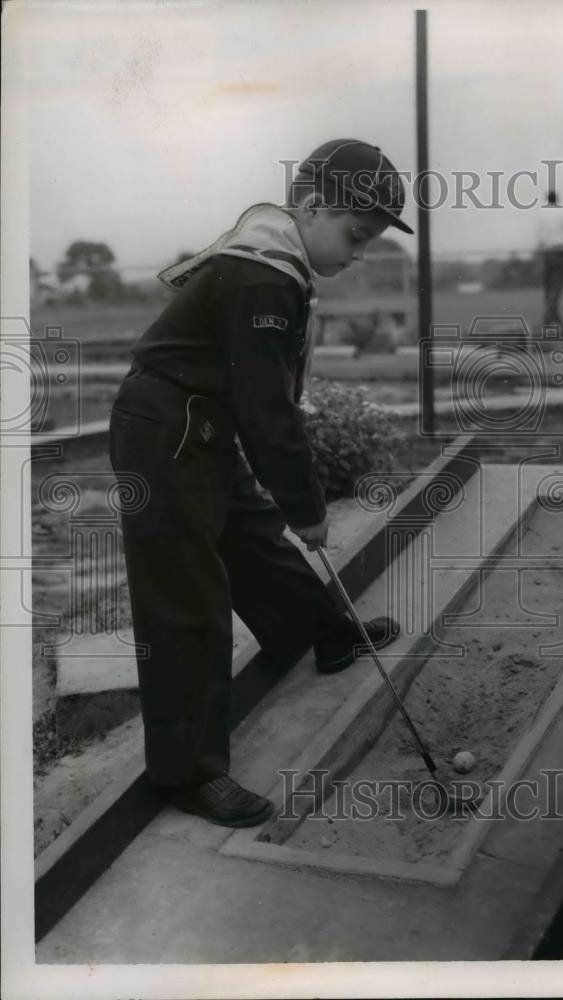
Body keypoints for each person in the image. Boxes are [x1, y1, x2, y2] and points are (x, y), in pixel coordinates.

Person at [109, 139, 413, 828]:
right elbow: (266, 407)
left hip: (198, 420)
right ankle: (187, 774)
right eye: (354, 235)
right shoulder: (263, 275)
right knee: (187, 597)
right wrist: (306, 503)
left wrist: (285, 504)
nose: (357, 253)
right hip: (167, 429)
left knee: (252, 537)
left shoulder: (280, 261)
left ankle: (322, 633)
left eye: (366, 243)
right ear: (311, 208)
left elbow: (256, 400)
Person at [536, 189, 563, 326]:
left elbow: (539, 234)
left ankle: (554, 317)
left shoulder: (541, 213)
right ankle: (549, 317)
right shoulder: (562, 212)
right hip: (559, 250)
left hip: (547, 252)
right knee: (558, 285)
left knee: (549, 286)